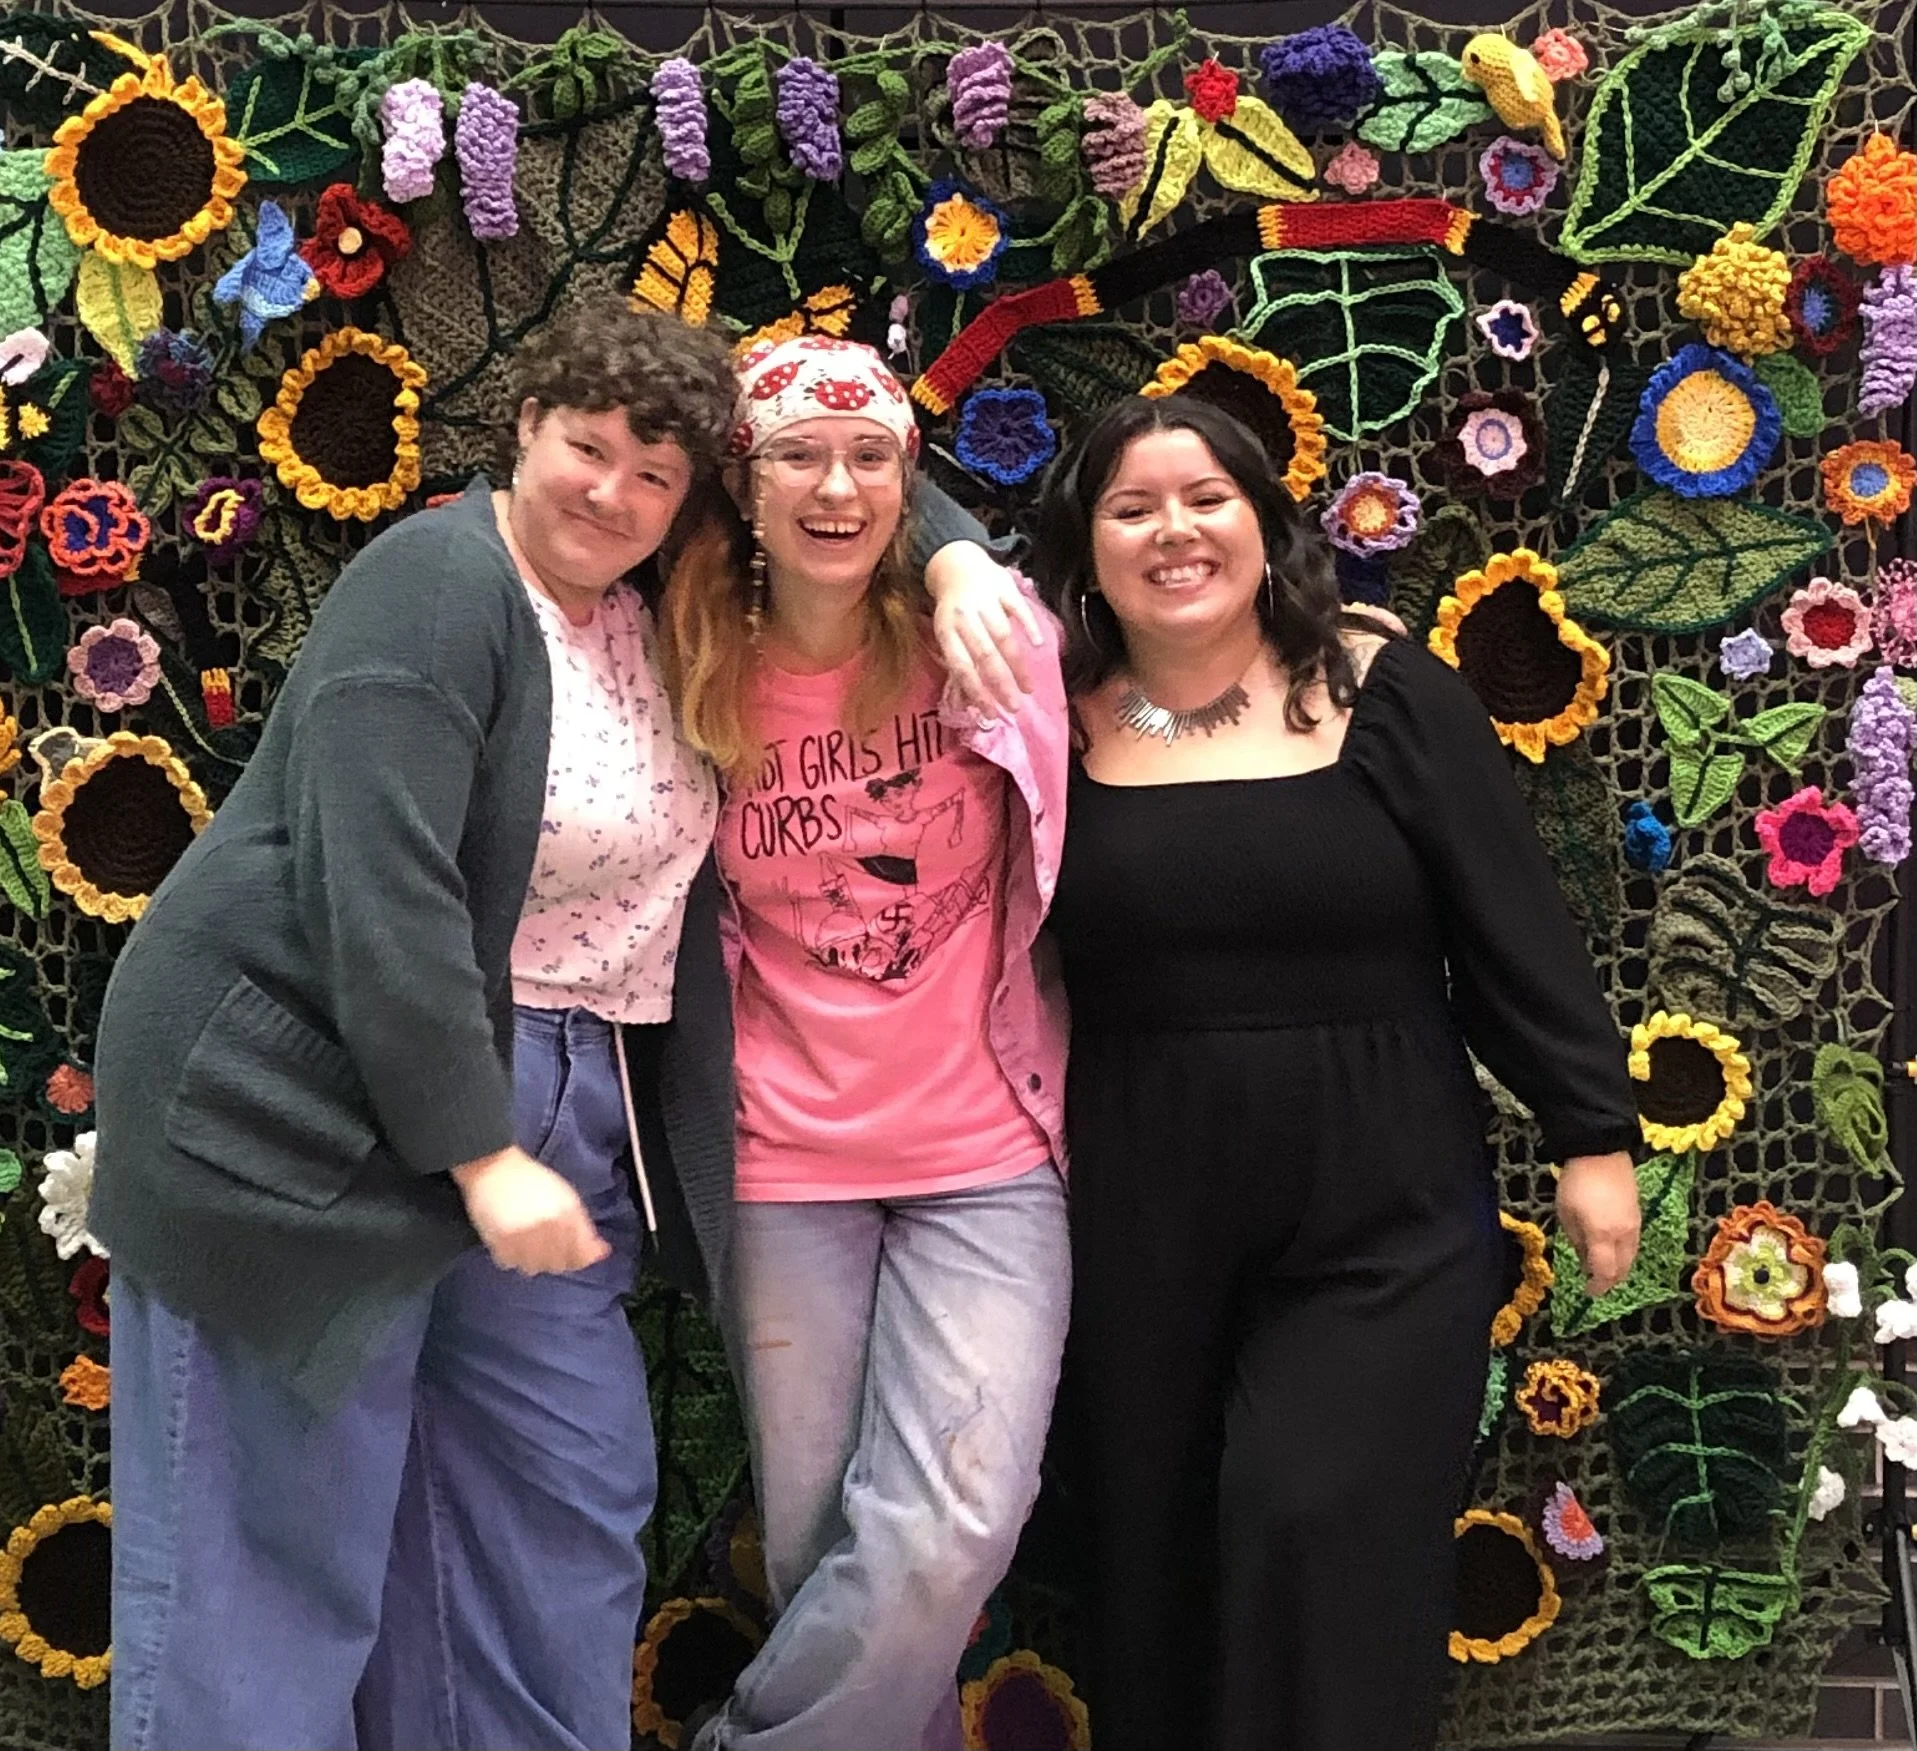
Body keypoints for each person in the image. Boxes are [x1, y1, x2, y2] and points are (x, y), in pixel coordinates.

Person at [90, 301, 1014, 1751]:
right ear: (521, 431)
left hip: (570, 1116)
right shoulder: (438, 582)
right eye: (587, 450)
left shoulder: (660, 603)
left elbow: (840, 469)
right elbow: (379, 892)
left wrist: (954, 546)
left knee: (554, 1515)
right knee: (274, 1557)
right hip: (315, 1121)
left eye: (657, 474)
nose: (616, 493)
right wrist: (475, 1149)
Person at [1017, 392, 1642, 1751]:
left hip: (1384, 1198)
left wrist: (1592, 1134)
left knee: (1316, 1515)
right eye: (1133, 507)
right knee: (1156, 1543)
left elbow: (1512, 918)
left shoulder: (1380, 685)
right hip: (1140, 1199)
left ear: (1264, 522)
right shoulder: (1041, 720)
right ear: (1087, 541)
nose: (1173, 531)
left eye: (1206, 499)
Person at [656, 334, 1072, 1751]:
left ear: (911, 475)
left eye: (873, 456)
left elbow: (1169, 677)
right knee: (826, 1544)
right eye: (797, 455)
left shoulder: (985, 640)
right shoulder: (679, 654)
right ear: (743, 478)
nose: (836, 486)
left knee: (954, 1524)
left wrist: (961, 556)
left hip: (985, 1151)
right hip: (785, 1165)